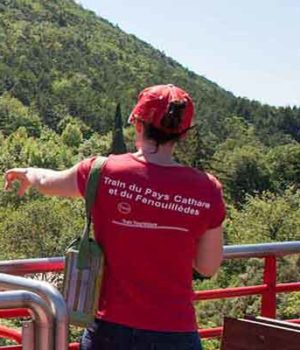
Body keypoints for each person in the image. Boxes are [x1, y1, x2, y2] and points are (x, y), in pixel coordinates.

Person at [4, 84, 225, 350]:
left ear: (138, 124)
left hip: (109, 332)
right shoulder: (207, 188)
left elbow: (50, 181)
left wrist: (28, 172)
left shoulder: (102, 171)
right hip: (175, 333)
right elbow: (208, 266)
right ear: (183, 134)